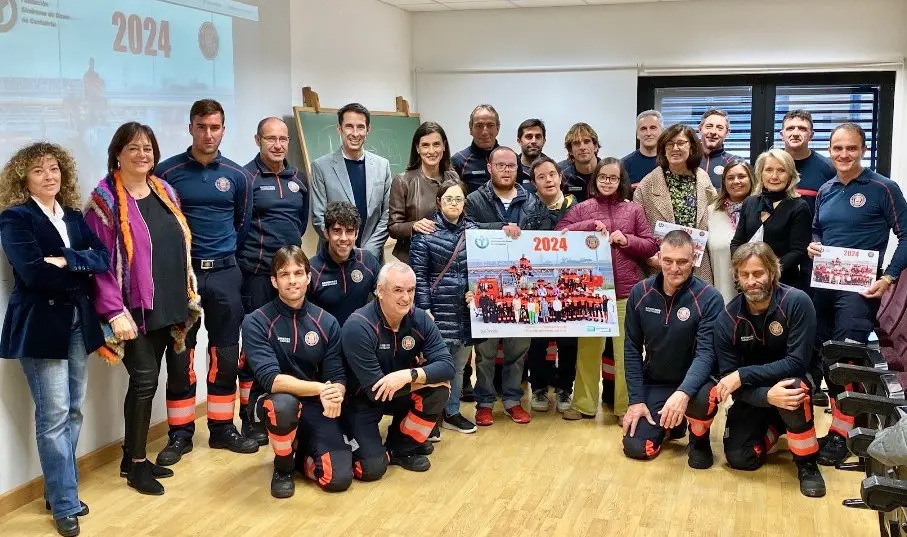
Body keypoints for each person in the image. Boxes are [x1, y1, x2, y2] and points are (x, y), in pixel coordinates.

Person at [0, 142, 109, 537]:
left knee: (74, 410)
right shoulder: (15, 218)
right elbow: (33, 275)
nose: (49, 177)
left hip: (78, 322)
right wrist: (77, 263)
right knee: (54, 415)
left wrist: (65, 258)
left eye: (54, 169)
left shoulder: (75, 216)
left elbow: (103, 257)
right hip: (41, 324)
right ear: (23, 179)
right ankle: (64, 502)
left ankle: (57, 489)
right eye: (38, 171)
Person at [85, 123, 199, 496]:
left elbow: (179, 245)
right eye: (133, 148)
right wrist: (114, 310)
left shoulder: (164, 190)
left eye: (148, 148)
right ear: (117, 153)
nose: (142, 154)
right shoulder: (104, 202)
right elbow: (98, 263)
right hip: (131, 312)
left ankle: (129, 456)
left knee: (150, 381)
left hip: (168, 304)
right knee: (146, 379)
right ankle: (135, 465)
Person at [155, 98, 259, 466]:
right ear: (190, 128)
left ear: (224, 130)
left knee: (225, 354)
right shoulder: (166, 173)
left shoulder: (238, 176)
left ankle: (221, 429)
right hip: (183, 278)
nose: (208, 134)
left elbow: (242, 225)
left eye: (215, 127)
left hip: (226, 274)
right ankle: (180, 434)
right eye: (202, 127)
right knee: (180, 356)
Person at [808, 122, 907, 466]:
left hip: (860, 289)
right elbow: (818, 231)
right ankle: (841, 424)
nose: (844, 154)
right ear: (830, 151)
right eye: (838, 148)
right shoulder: (826, 190)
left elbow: (906, 235)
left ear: (862, 149)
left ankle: (842, 433)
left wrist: (889, 277)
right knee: (822, 354)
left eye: (851, 148)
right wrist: (814, 247)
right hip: (823, 286)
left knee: (844, 357)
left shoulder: (883, 188)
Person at [714, 242, 825, 497]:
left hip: (795, 378)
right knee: (740, 458)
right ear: (737, 277)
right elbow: (728, 382)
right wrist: (765, 396)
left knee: (793, 391)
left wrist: (742, 376)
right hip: (757, 390)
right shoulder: (728, 319)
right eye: (745, 275)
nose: (752, 281)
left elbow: (796, 363)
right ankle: (776, 425)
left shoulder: (797, 302)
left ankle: (807, 462)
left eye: (758, 273)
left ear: (773, 273)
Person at [241, 246, 351, 498]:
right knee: (283, 404)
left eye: (298, 273)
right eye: (284, 274)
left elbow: (336, 374)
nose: (292, 280)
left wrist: (336, 393)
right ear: (274, 280)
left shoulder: (327, 322)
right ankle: (283, 467)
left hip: (315, 404)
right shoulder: (256, 321)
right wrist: (323, 389)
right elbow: (272, 380)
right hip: (269, 403)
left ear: (308, 277)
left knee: (338, 478)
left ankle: (298, 454)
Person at [555, 158, 658, 422]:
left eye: (613, 178)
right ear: (595, 179)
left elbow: (649, 245)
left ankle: (627, 407)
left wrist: (626, 240)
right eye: (603, 177)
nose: (607, 182)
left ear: (621, 180)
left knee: (627, 352)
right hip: (591, 292)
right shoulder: (583, 208)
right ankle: (584, 404)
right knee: (588, 350)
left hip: (626, 291)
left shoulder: (633, 210)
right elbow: (560, 233)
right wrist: (588, 226)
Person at [341, 262, 455, 477]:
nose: (406, 298)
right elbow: (375, 393)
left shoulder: (420, 318)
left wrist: (409, 375)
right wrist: (424, 378)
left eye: (410, 290)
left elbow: (447, 366)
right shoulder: (358, 325)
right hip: (361, 401)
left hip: (398, 390)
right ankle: (350, 441)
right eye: (398, 290)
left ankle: (400, 447)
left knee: (440, 388)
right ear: (380, 291)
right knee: (371, 470)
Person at [621, 231, 724, 468]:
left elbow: (706, 354)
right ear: (658, 258)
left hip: (697, 385)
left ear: (694, 258)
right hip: (657, 382)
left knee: (704, 397)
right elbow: (632, 349)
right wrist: (636, 401)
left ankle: (699, 440)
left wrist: (683, 393)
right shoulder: (640, 293)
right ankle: (673, 426)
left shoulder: (710, 298)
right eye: (668, 261)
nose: (674, 268)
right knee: (637, 447)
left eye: (682, 261)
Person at [237, 116, 308, 445]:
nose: (277, 145)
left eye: (283, 139)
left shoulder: (298, 181)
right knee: (253, 348)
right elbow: (239, 225)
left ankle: (278, 410)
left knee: (286, 345)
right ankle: (249, 417)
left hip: (289, 277)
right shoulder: (245, 178)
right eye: (270, 139)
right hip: (257, 276)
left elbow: (301, 223)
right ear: (257, 140)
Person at [465, 146, 548, 425]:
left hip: (523, 290)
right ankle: (485, 402)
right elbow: (465, 231)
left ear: (518, 169)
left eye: (511, 166)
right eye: (500, 165)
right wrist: (497, 231)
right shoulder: (474, 199)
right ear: (489, 167)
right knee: (485, 353)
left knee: (517, 350)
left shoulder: (533, 202)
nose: (505, 170)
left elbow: (542, 238)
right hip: (487, 290)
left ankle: (513, 400)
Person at [410, 178, 479, 435]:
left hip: (465, 310)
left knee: (459, 366)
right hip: (436, 310)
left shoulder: (474, 232)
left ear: (464, 203)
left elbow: (483, 271)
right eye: (448, 199)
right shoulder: (425, 233)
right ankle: (431, 416)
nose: (454, 203)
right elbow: (419, 275)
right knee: (435, 363)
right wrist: (424, 309)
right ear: (439, 202)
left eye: (458, 199)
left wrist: (478, 292)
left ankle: (451, 412)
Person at [524, 157, 578, 413]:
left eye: (552, 174)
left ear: (560, 177)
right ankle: (538, 388)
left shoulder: (576, 206)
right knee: (538, 340)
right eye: (541, 176)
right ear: (534, 183)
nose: (548, 180)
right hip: (538, 286)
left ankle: (565, 388)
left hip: (568, 285)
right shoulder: (527, 208)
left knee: (569, 340)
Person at [634, 123, 717, 283]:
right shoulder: (648, 183)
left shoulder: (703, 178)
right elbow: (636, 227)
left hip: (697, 266)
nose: (675, 148)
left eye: (680, 143)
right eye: (669, 144)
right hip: (661, 265)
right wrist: (648, 257)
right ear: (663, 149)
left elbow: (714, 215)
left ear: (691, 148)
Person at [311, 103, 393, 260]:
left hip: (372, 257)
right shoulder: (320, 167)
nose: (355, 133)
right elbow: (318, 216)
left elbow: (387, 214)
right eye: (349, 126)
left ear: (368, 130)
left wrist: (369, 251)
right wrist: (347, 247)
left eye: (360, 127)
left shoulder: (382, 166)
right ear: (339, 129)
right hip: (334, 257)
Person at [730, 149, 811, 288]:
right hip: (750, 283)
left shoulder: (799, 206)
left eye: (781, 170)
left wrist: (769, 272)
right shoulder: (750, 202)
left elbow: (798, 251)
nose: (774, 176)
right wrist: (744, 268)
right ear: (760, 174)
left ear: (790, 175)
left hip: (784, 283)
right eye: (768, 170)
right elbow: (737, 243)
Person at [388, 121, 459, 263]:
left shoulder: (454, 178)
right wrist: (413, 226)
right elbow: (393, 228)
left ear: (444, 146)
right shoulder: (403, 181)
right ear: (417, 148)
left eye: (436, 144)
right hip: (415, 259)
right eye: (425, 145)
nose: (431, 151)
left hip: (448, 259)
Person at [307, 201, 380, 327]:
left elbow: (385, 296)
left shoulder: (367, 260)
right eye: (337, 231)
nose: (344, 238)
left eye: (350, 231)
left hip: (360, 337)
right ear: (326, 233)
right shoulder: (311, 270)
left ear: (356, 234)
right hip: (327, 341)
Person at [706, 161, 754, 302]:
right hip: (722, 296)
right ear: (724, 182)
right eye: (730, 178)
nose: (736, 181)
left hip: (758, 295)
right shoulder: (711, 212)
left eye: (741, 176)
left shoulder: (764, 210)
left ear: (751, 179)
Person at [780, 109, 836, 214]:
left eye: (802, 129)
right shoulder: (769, 166)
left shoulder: (829, 168)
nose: (795, 133)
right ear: (782, 135)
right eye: (790, 128)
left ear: (811, 135)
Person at [452, 104, 500, 193]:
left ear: (498, 128)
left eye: (490, 125)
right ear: (470, 129)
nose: (485, 132)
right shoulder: (458, 161)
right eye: (479, 126)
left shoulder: (511, 158)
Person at [699, 108, 742, 189]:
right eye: (709, 126)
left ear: (727, 133)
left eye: (719, 128)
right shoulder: (687, 159)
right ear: (700, 129)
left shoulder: (735, 162)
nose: (713, 132)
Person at [557, 122, 600, 202]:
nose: (582, 147)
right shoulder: (563, 179)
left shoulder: (610, 172)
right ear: (570, 150)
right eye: (576, 143)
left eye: (586, 141)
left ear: (595, 146)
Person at [621, 110, 663, 184]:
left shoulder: (671, 162)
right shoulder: (624, 164)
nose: (648, 133)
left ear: (662, 131)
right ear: (637, 134)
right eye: (643, 129)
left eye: (653, 128)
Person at [516, 118, 548, 191]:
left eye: (538, 137)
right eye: (529, 137)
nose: (534, 141)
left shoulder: (553, 169)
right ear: (519, 141)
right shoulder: (511, 169)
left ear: (544, 141)